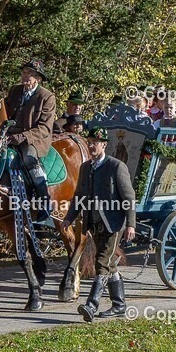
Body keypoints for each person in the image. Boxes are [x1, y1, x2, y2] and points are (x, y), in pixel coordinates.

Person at [60, 128, 136, 321]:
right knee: (109, 265)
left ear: (104, 145)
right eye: (90, 142)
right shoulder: (86, 168)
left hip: (113, 224)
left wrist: (130, 224)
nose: (92, 145)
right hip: (93, 224)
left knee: (101, 263)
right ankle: (119, 305)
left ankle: (91, 306)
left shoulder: (116, 167)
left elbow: (129, 198)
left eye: (96, 142)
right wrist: (69, 217)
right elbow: (78, 196)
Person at [3, 59, 57, 224]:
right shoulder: (15, 90)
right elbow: (4, 112)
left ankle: (45, 201)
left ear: (38, 78)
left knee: (28, 158)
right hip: (9, 135)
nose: (26, 76)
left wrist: (21, 137)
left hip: (34, 139)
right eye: (25, 72)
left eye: (31, 74)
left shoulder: (47, 97)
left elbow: (44, 129)